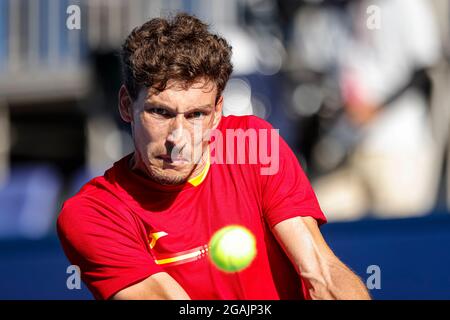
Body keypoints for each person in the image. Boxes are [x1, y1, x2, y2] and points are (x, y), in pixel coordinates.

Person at [56, 13, 370, 300]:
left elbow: (321, 275)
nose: (178, 139)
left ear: (217, 112)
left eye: (195, 114)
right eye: (161, 112)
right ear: (127, 105)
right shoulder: (92, 213)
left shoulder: (254, 146)